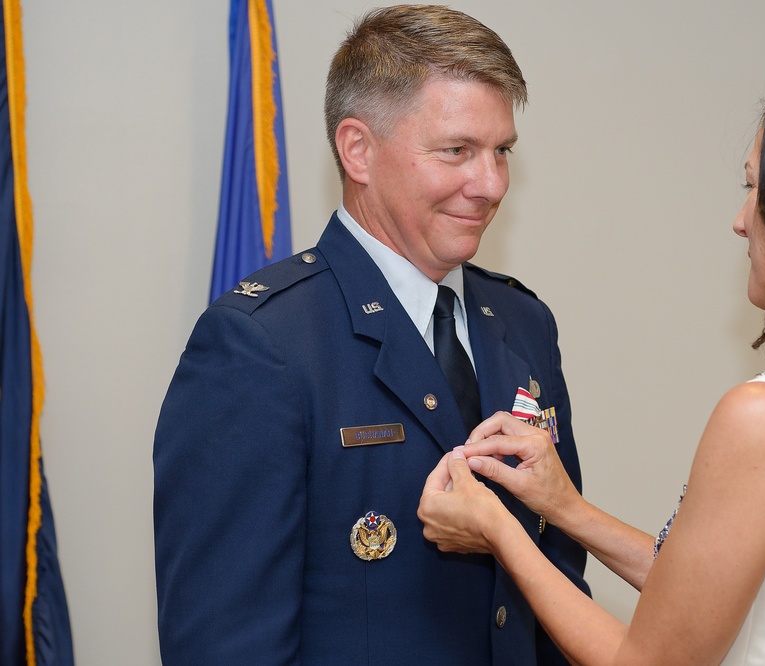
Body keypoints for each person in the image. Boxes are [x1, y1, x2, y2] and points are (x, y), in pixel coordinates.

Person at [419, 64, 765, 665]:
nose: (740, 221)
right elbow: (724, 593)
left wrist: (499, 532)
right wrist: (566, 507)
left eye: (754, 190)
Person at [153, 5, 588, 664]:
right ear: (358, 149)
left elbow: (557, 579)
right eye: (457, 152)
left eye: (502, 152)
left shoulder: (523, 323)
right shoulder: (261, 345)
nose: (491, 184)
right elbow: (227, 644)